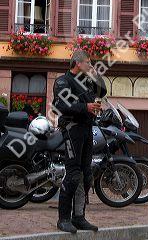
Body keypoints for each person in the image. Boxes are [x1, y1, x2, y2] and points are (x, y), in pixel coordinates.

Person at [52, 49, 107, 233]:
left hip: (86, 130)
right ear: (78, 63)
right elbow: (60, 105)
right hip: (72, 130)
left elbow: (103, 90)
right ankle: (63, 219)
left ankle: (79, 217)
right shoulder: (63, 81)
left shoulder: (87, 82)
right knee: (73, 173)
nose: (90, 65)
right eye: (88, 63)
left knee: (85, 175)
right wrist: (86, 107)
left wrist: (95, 73)